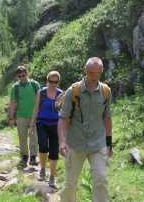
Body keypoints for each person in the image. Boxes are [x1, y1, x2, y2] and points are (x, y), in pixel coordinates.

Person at [58, 57, 113, 202]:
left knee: (101, 180)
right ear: (85, 70)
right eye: (91, 73)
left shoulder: (106, 91)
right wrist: (61, 142)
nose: (94, 77)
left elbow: (107, 118)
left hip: (98, 143)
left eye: (98, 74)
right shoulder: (73, 91)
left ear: (101, 72)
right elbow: (63, 118)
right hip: (75, 143)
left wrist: (109, 143)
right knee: (71, 183)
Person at [29, 71, 62, 189]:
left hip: (56, 125)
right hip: (42, 123)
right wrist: (31, 125)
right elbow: (36, 109)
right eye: (51, 81)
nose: (53, 84)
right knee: (43, 146)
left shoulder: (61, 94)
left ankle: (52, 177)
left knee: (54, 152)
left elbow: (65, 112)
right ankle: (42, 169)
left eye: (56, 82)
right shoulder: (41, 93)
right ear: (47, 81)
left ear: (58, 82)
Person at [9, 66, 40, 167]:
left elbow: (40, 100)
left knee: (34, 137)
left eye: (23, 75)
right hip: (21, 116)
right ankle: (24, 157)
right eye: (19, 76)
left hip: (34, 115)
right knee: (22, 136)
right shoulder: (15, 88)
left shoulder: (35, 85)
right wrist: (11, 118)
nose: (21, 78)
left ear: (26, 73)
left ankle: (33, 157)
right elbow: (12, 103)